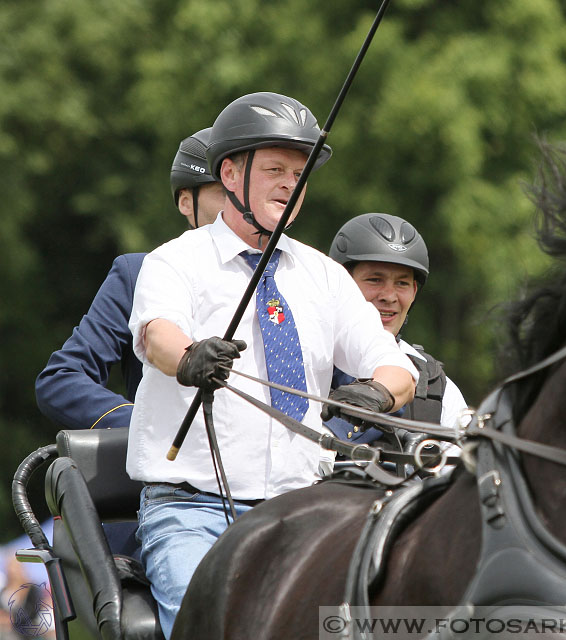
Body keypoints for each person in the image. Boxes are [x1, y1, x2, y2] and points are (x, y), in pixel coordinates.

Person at [126, 91, 417, 638]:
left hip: (304, 508)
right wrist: (191, 358)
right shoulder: (174, 261)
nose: (291, 184)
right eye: (276, 170)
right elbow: (158, 335)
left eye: (301, 174)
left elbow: (394, 364)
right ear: (230, 174)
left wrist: (379, 393)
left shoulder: (325, 276)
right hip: (194, 511)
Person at [35, 128, 223, 431]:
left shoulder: (303, 276)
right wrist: (146, 426)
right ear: (187, 203)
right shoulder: (138, 272)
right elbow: (63, 379)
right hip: (176, 468)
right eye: (225, 193)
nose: (241, 207)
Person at [326, 212, 468, 445]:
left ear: (414, 292)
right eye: (374, 280)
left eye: (401, 283)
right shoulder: (305, 360)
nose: (389, 296)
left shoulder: (436, 388)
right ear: (342, 284)